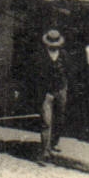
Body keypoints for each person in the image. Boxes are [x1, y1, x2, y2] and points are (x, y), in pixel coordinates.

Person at [36, 28, 72, 158]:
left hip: (61, 90)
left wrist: (65, 88)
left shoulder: (64, 55)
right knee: (46, 121)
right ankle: (45, 150)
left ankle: (54, 143)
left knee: (59, 119)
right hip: (46, 93)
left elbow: (69, 72)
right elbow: (35, 75)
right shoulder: (40, 55)